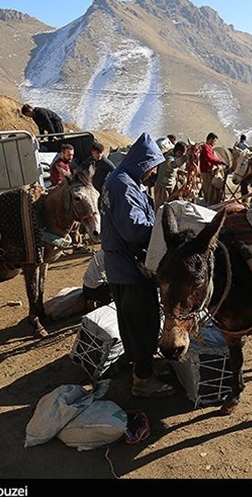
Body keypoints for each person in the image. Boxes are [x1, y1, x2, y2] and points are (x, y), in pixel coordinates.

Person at [100, 132, 174, 398]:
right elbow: (134, 230)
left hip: (128, 266)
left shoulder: (126, 180)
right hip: (128, 267)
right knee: (141, 324)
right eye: (152, 168)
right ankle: (143, 381)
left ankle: (145, 370)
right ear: (143, 164)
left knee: (142, 321)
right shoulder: (122, 185)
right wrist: (164, 228)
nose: (153, 173)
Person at [153, 141, 188, 213]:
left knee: (170, 208)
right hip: (163, 186)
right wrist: (186, 157)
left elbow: (173, 169)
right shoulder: (168, 157)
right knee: (161, 208)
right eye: (182, 154)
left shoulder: (174, 155)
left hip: (171, 185)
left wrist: (181, 172)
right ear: (178, 152)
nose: (182, 155)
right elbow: (173, 165)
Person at [199, 132, 226, 206]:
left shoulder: (209, 147)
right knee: (208, 189)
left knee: (210, 188)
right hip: (206, 171)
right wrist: (220, 161)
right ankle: (208, 204)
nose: (214, 143)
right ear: (210, 139)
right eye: (214, 141)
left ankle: (210, 203)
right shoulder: (205, 147)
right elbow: (209, 158)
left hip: (208, 170)